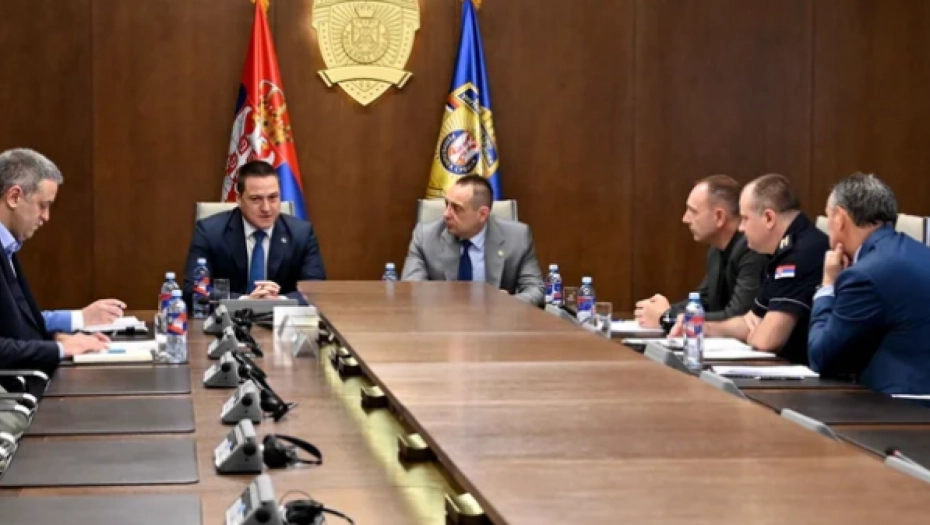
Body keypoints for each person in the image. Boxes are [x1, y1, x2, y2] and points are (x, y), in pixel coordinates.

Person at [673, 173, 828, 364]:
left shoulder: (800, 252)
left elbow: (766, 340)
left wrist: (756, 333)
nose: (741, 228)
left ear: (769, 218)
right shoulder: (780, 251)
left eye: (745, 218)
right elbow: (748, 321)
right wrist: (706, 328)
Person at [808, 173, 930, 394]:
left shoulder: (864, 275)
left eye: (828, 217)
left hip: (901, 406)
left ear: (840, 218)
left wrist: (827, 284)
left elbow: (821, 356)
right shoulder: (919, 252)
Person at [0, 148, 111, 371]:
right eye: (43, 205)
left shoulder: (8, 247)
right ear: (14, 197)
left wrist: (56, 339)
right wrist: (59, 349)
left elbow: (17, 327)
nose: (46, 217)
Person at [183, 161, 326, 306]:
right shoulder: (209, 232)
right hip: (229, 318)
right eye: (256, 199)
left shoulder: (301, 233)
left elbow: (317, 290)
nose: (266, 208)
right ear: (239, 199)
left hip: (283, 317)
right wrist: (244, 301)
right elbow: (193, 290)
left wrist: (279, 301)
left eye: (273, 197)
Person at [635, 175, 766, 330]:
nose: (685, 219)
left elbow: (737, 317)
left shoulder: (752, 249)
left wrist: (667, 316)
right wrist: (662, 312)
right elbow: (703, 301)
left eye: (693, 211)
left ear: (719, 216)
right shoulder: (716, 250)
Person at [401, 174, 545, 307]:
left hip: (497, 323)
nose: (446, 214)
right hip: (442, 321)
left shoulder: (518, 237)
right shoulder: (425, 237)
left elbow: (536, 290)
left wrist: (507, 303)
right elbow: (411, 289)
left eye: (456, 208)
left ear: (482, 214)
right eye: (447, 204)